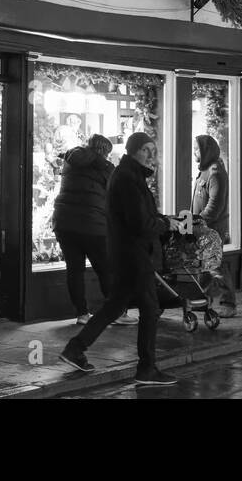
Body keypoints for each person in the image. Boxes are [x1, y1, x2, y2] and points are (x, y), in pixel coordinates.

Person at [60, 133, 182, 385]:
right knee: (150, 308)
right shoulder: (127, 178)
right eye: (146, 150)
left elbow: (142, 213)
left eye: (154, 150)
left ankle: (75, 348)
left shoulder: (130, 175)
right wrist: (164, 223)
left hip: (125, 252)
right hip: (133, 253)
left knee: (114, 306)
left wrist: (161, 219)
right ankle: (146, 368)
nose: (152, 155)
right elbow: (140, 223)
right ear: (132, 150)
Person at [52, 135, 132, 326]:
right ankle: (117, 313)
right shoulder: (105, 168)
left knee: (74, 270)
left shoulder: (71, 159)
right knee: (106, 269)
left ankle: (82, 314)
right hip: (92, 225)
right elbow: (115, 196)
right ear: (104, 151)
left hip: (64, 223)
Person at [192, 134, 235, 317]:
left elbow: (214, 206)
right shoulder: (204, 170)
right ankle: (203, 301)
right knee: (203, 264)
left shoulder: (215, 172)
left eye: (197, 149)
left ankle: (228, 303)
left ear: (205, 150)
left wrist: (198, 220)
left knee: (216, 265)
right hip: (202, 227)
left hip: (212, 228)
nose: (194, 152)